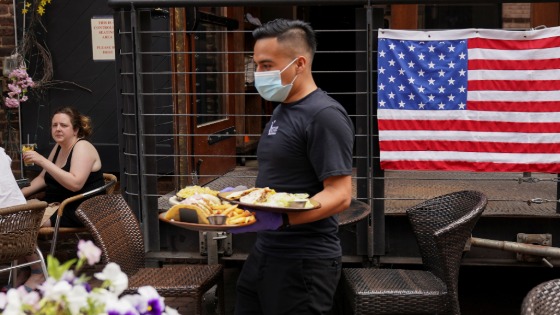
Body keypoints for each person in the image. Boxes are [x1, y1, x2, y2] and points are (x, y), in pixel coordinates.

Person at [230, 19, 355, 315]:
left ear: (299, 63)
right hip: (265, 253)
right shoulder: (282, 108)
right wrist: (245, 199)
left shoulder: (324, 115)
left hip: (303, 262)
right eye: (256, 66)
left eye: (266, 65)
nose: (258, 74)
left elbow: (339, 194)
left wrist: (280, 220)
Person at [18, 106, 104, 291]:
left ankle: (37, 272)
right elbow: (42, 179)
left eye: (63, 125)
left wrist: (42, 161)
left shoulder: (82, 147)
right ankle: (25, 268)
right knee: (13, 213)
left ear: (75, 130)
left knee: (20, 222)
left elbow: (75, 184)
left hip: (77, 207)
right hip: (55, 205)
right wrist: (16, 196)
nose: (57, 129)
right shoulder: (59, 147)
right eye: (54, 125)